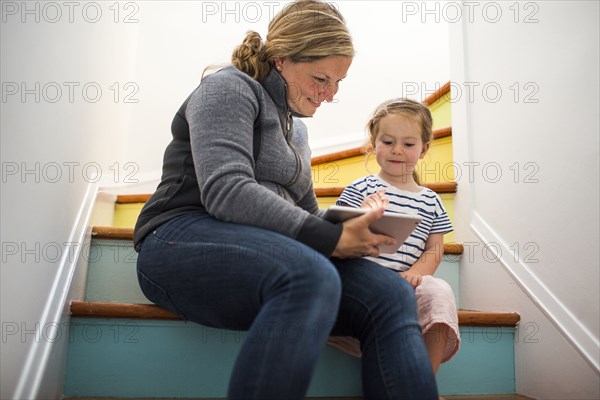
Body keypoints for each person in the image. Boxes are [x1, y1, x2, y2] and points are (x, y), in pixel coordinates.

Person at [133, 1, 438, 399]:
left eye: (337, 83)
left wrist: (349, 229)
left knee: (391, 293)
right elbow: (226, 190)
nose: (329, 95)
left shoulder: (297, 132)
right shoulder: (227, 87)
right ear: (281, 59)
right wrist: (326, 237)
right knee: (309, 272)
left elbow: (305, 215)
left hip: (266, 253)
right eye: (320, 79)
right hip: (177, 239)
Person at [328, 98, 461, 375]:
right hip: (363, 283)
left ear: (423, 149)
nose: (397, 150)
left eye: (408, 144)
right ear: (373, 144)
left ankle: (426, 379)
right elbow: (336, 236)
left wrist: (416, 274)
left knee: (440, 290)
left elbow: (435, 248)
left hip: (407, 283)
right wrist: (361, 216)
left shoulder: (431, 201)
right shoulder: (360, 189)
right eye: (387, 142)